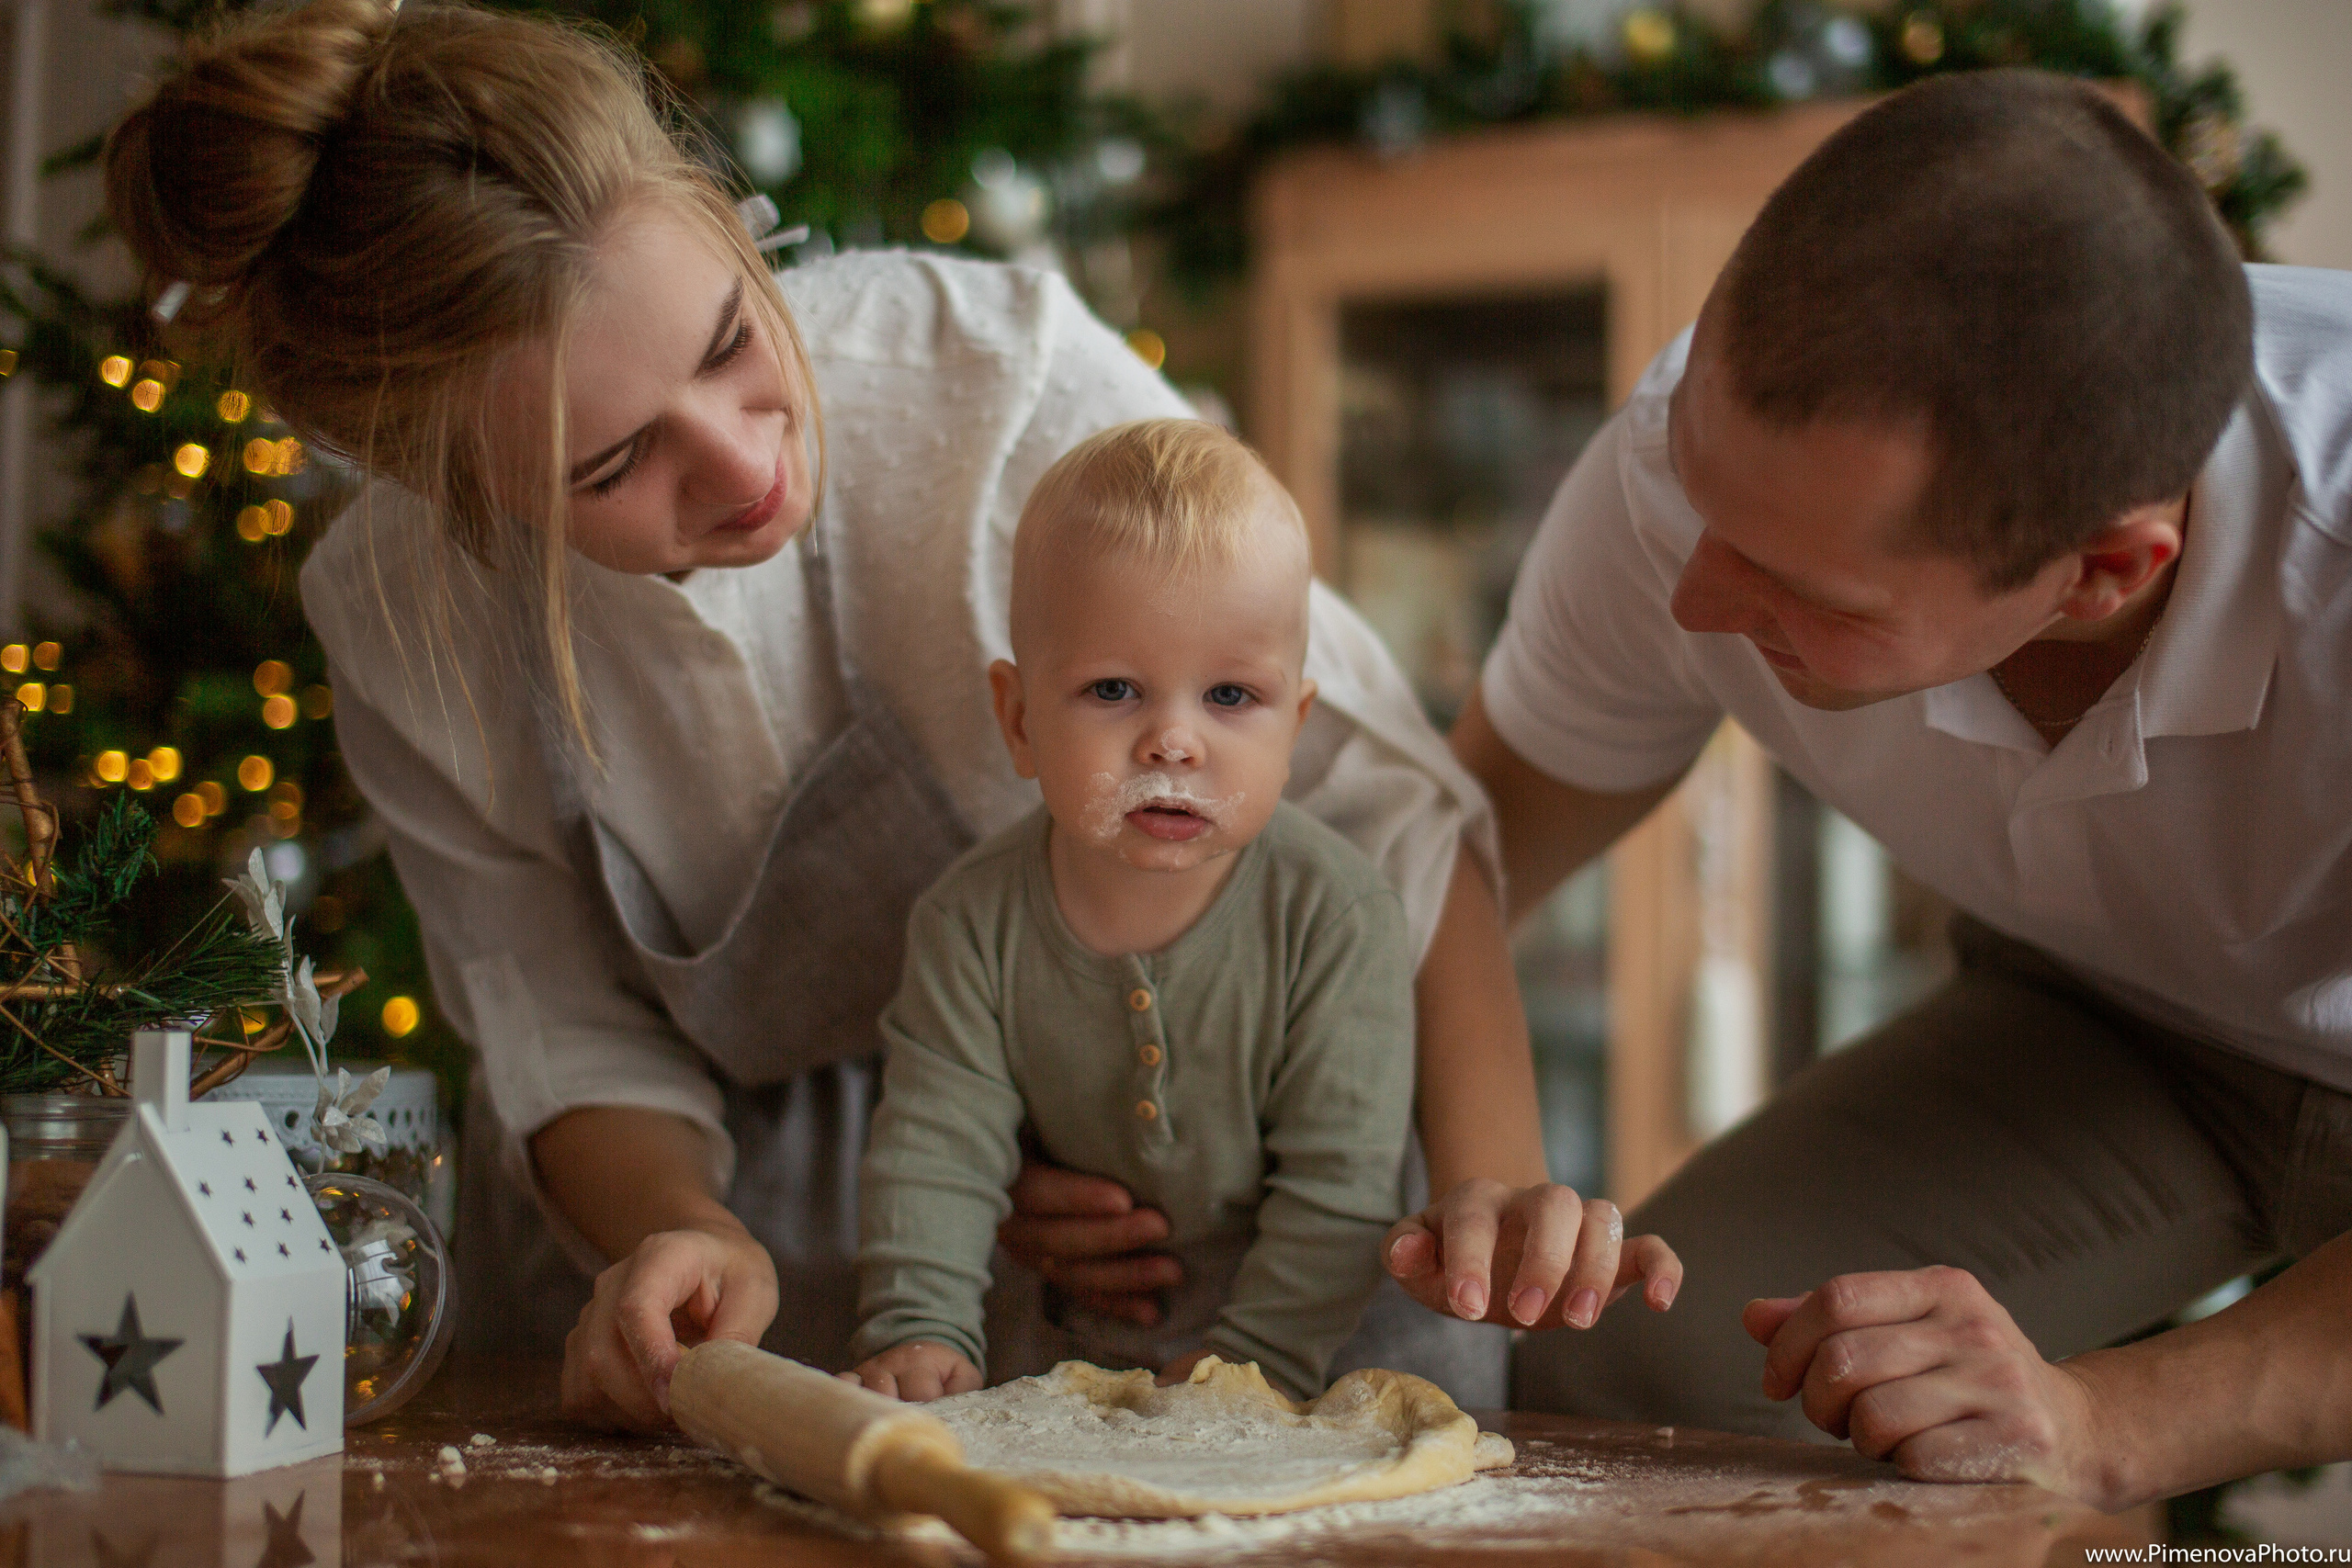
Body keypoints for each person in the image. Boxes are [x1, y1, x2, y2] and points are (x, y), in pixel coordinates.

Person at [102, 0, 1654, 1431]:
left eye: (729, 339)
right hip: (781, 1224)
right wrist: (693, 1240)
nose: (741, 460)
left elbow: (1385, 814)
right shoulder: (401, 612)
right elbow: (568, 1031)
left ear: (723, 217)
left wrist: (1496, 1180)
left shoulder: (990, 384)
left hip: (1212, 1208)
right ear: (447, 489)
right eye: (613, 465)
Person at [1438, 69, 2352, 1509]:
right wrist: (1487, 1172)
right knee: (1640, 1387)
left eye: (1805, 587)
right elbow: (1459, 850)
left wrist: (2103, 1416)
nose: (1692, 593)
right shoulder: (1701, 465)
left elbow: (2099, 1423)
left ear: (2108, 569)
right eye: (1697, 498)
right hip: (2115, 1025)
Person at [848, 419, 1680, 1403]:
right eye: (1113, 689)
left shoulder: (1338, 915)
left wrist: (1252, 1366)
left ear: (1295, 727)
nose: (1171, 741)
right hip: (1084, 1339)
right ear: (1021, 718)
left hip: (1342, 1347)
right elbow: (935, 1150)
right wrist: (921, 1326)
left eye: (1230, 696)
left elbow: (1339, 1184)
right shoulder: (966, 922)